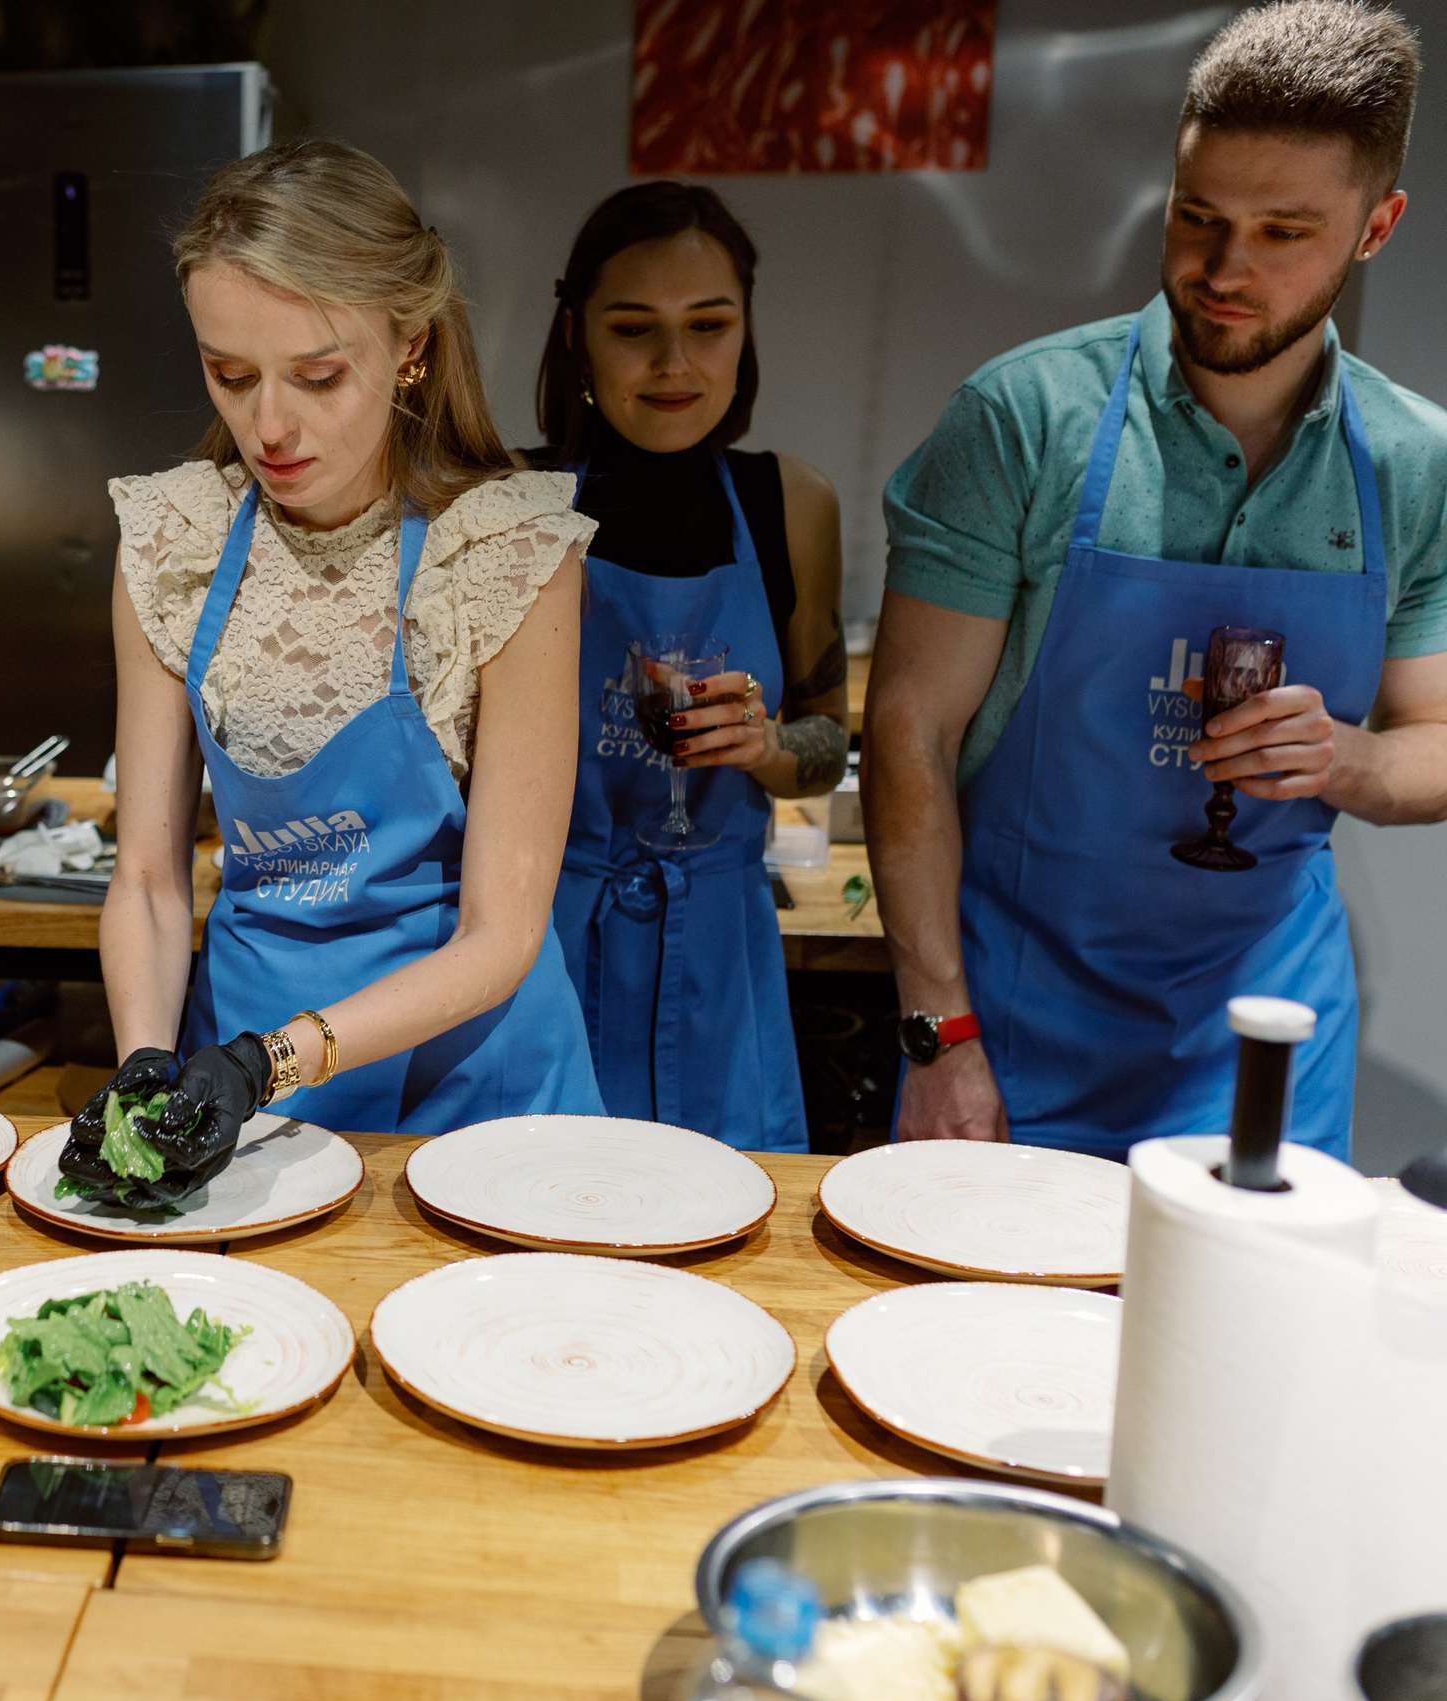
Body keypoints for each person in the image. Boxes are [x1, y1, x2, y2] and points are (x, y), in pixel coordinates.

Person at [865, 0, 1447, 1159]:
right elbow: (907, 732)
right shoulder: (1026, 418)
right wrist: (940, 1031)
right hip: (1015, 1009)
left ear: (1374, 227)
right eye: (1196, 217)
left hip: (1264, 1033)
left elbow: (1434, 737)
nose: (1223, 270)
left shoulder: (1411, 461)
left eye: (1284, 232)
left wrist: (1358, 759)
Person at [63, 140, 600, 1201]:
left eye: (316, 376)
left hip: (474, 1091)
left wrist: (267, 1061)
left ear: (410, 346)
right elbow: (150, 883)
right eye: (228, 374)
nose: (268, 425)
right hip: (252, 1094)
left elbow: (501, 936)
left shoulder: (502, 552)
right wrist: (143, 1062)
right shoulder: (176, 539)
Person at [530, 182, 847, 1152]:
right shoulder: (510, 500)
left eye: (708, 326)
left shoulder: (789, 502)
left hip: (720, 957)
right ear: (577, 334)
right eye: (634, 330)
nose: (675, 365)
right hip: (550, 942)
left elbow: (825, 747)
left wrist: (761, 747)